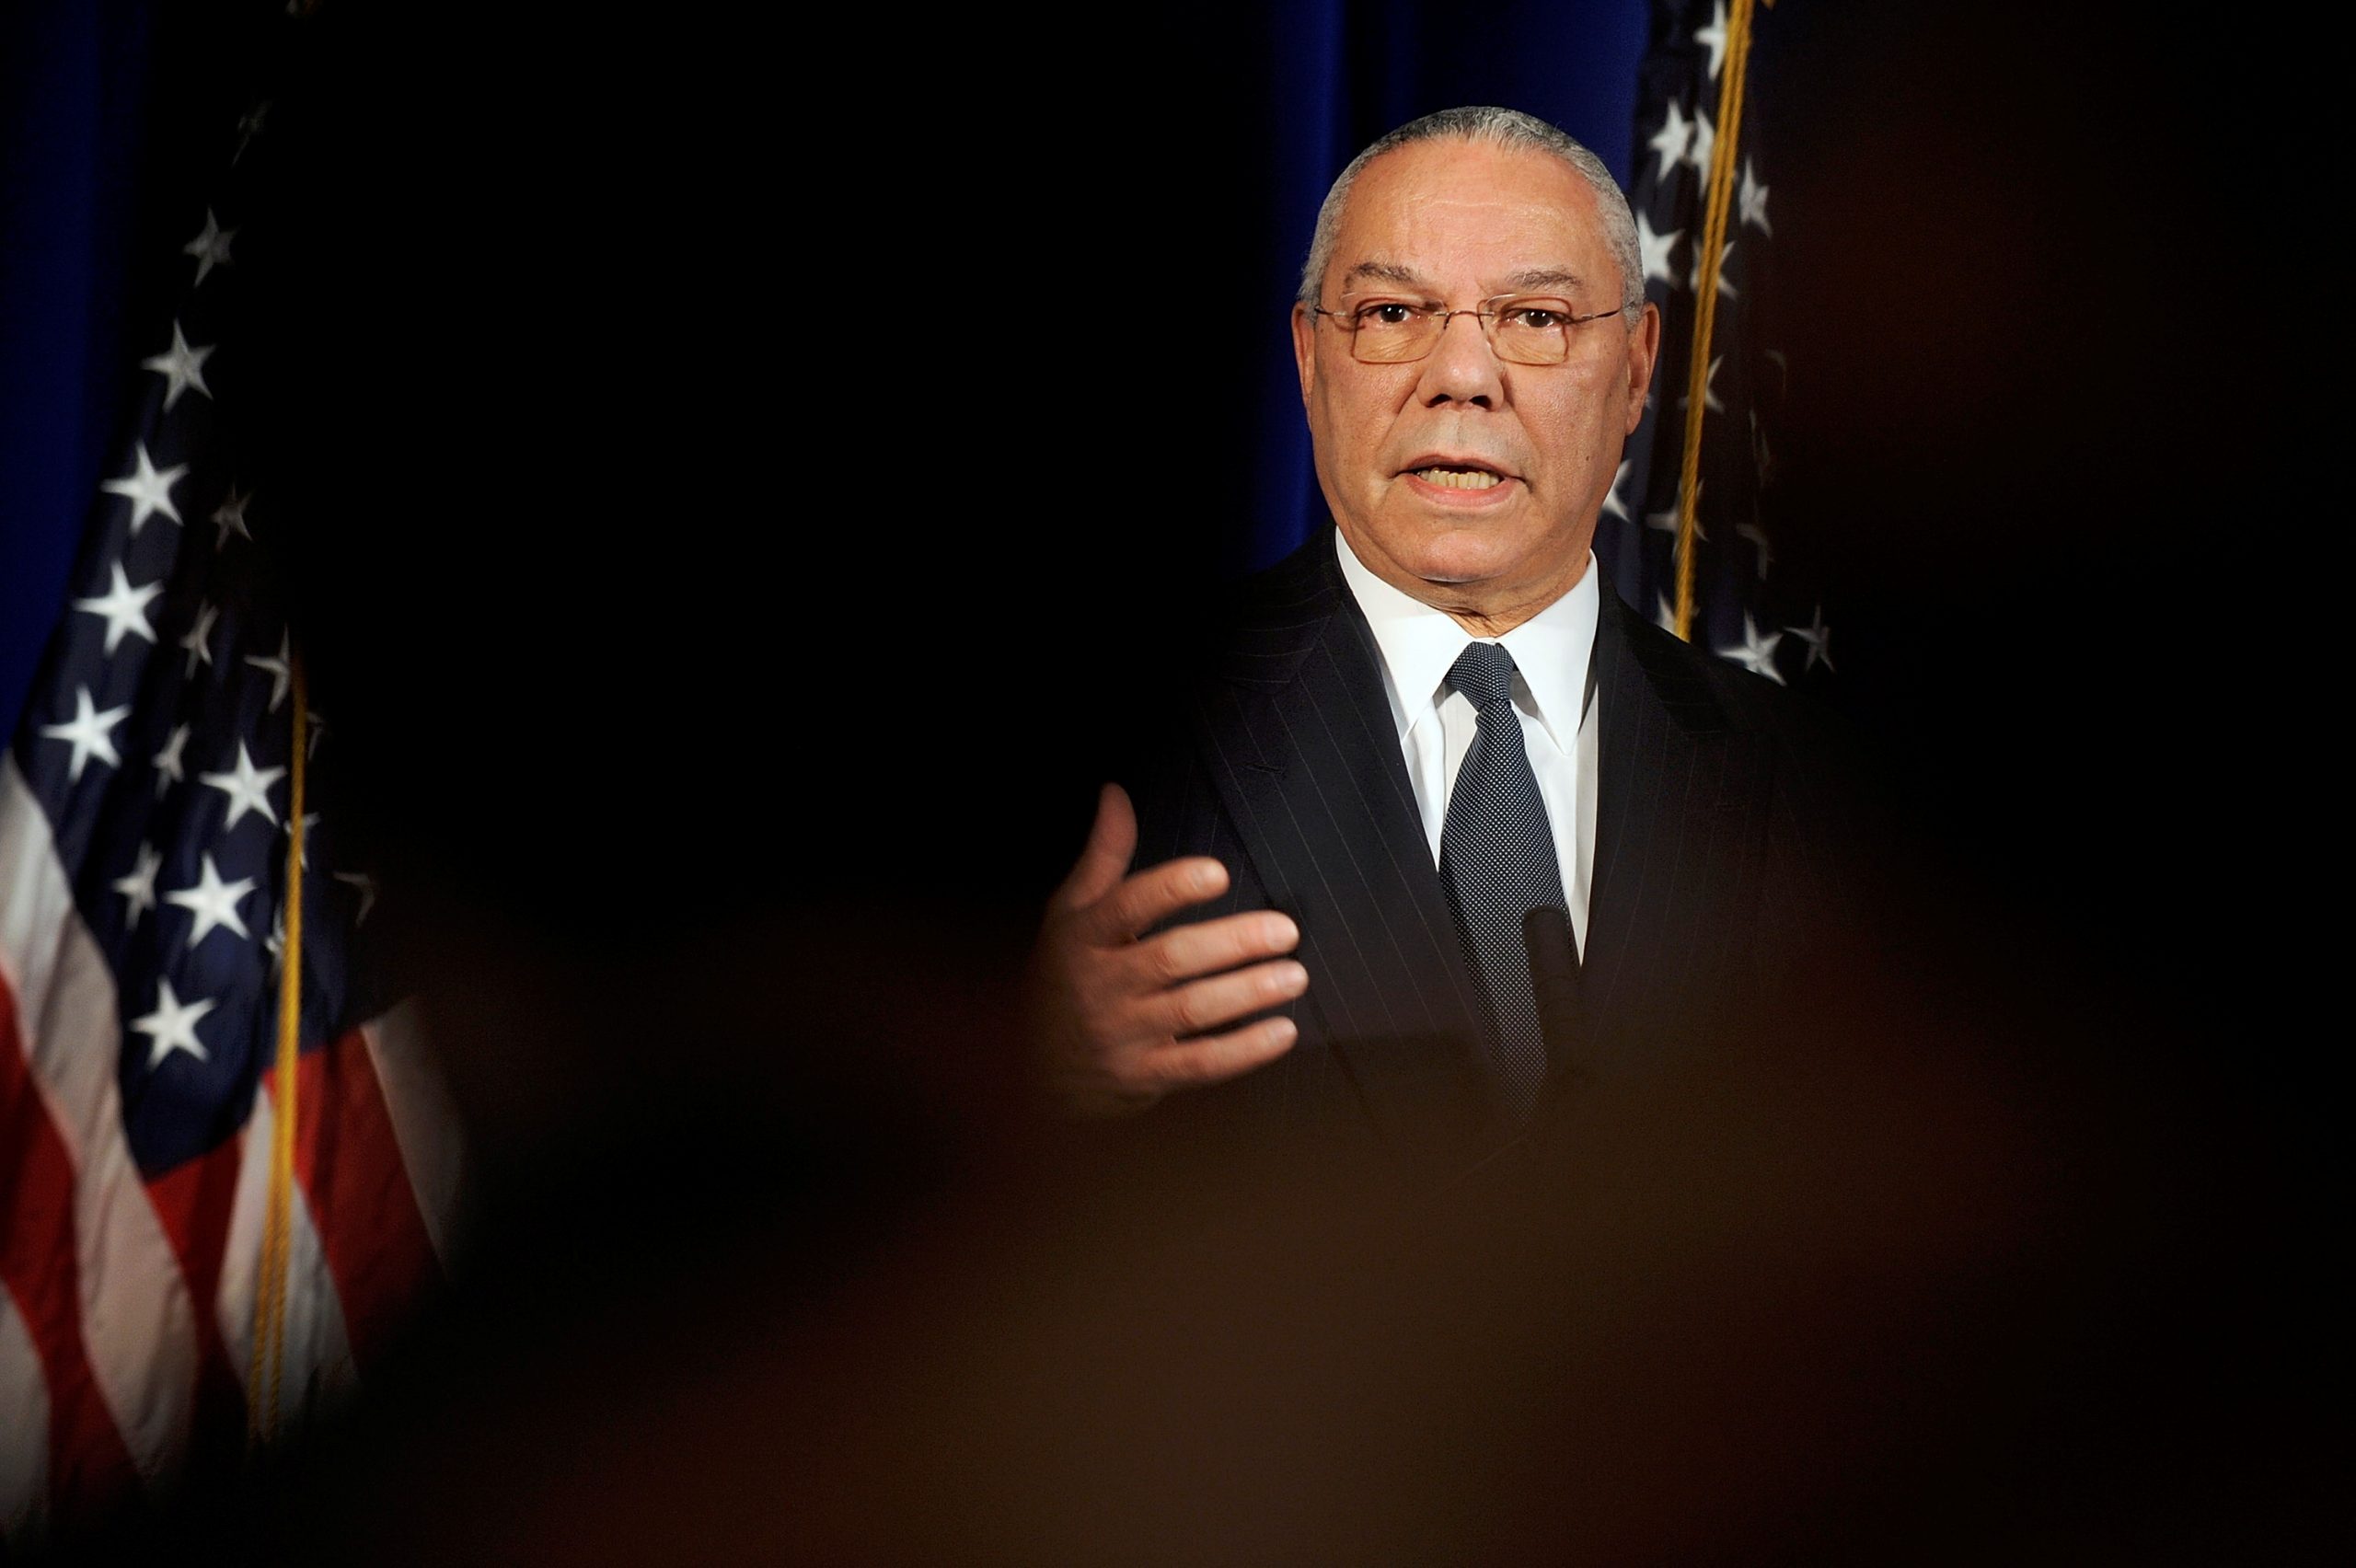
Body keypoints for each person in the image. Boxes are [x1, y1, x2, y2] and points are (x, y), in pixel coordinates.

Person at [1030, 107, 1868, 1182]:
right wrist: (1034, 1060)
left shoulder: (1825, 796)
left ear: (1638, 366)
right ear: (1307, 356)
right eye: (1391, 311)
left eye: (1534, 316)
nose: (1462, 376)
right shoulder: (1122, 729)